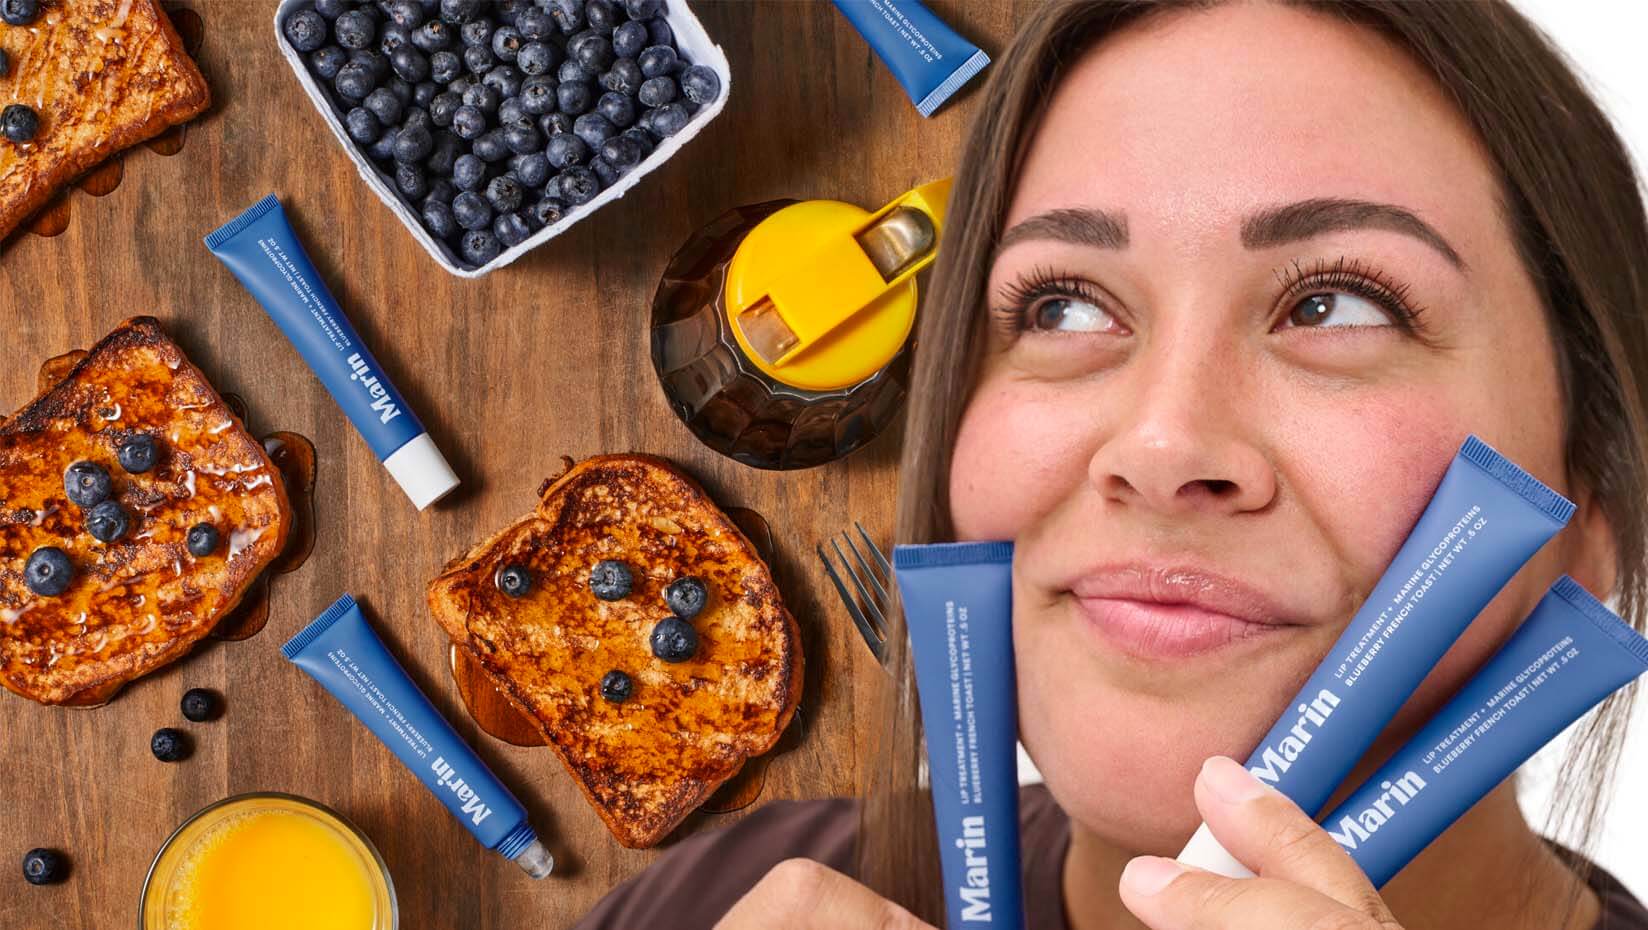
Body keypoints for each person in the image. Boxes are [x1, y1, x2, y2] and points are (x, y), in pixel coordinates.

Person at [577, 1, 1648, 927]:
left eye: (1334, 306)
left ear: (1600, 487)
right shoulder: (724, 898)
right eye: (1064, 307)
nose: (1160, 445)